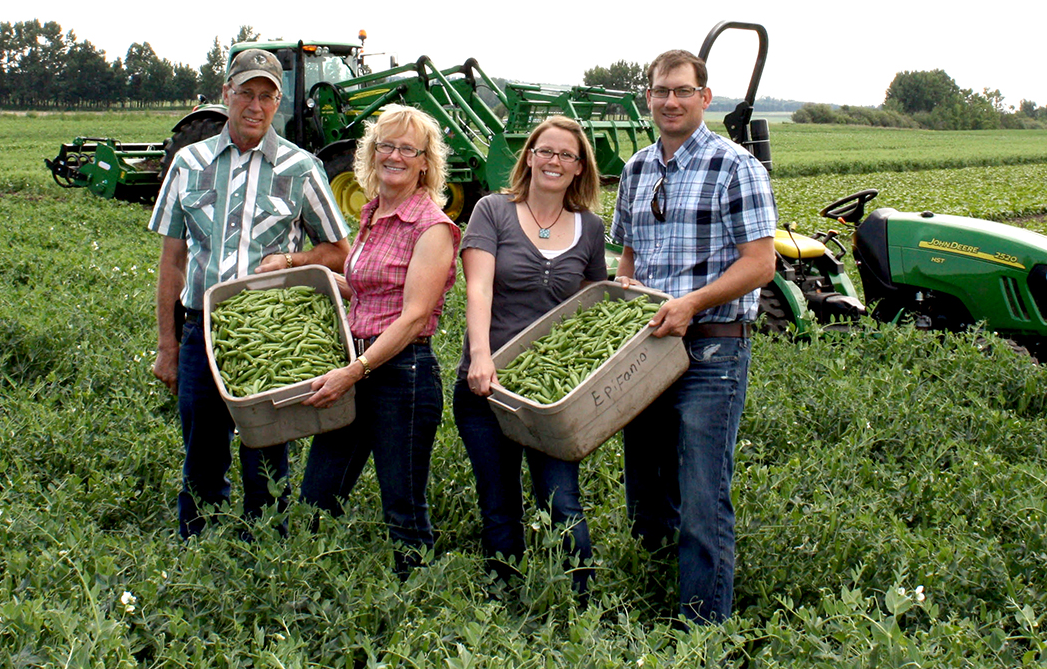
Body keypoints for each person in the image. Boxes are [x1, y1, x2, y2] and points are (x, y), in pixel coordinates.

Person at [149, 48, 351, 539]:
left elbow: (338, 251)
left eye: (267, 96)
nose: (255, 106)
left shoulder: (300, 168)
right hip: (200, 330)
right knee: (201, 457)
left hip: (269, 335)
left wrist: (292, 260)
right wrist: (167, 347)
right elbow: (172, 263)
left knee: (266, 458)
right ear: (226, 95)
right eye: (246, 94)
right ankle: (200, 551)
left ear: (277, 102)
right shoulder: (188, 163)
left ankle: (263, 557)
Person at [611, 49, 776, 624]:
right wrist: (623, 284)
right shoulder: (636, 170)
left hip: (712, 345)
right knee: (647, 487)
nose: (670, 101)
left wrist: (692, 305)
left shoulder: (736, 166)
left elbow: (760, 264)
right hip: (648, 343)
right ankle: (647, 599)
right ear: (648, 98)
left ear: (704, 98)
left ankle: (702, 630)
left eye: (682, 91)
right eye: (660, 91)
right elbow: (629, 252)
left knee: (704, 494)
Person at [299, 104, 461, 576]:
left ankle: (417, 613)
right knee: (316, 498)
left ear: (425, 162)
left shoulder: (432, 227)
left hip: (401, 377)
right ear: (371, 153)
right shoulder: (373, 212)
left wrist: (354, 371)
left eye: (406, 149)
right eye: (385, 145)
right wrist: (306, 275)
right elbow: (367, 288)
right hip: (357, 367)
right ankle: (308, 594)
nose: (394, 155)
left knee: (403, 510)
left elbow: (413, 316)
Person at [453, 116, 607, 595]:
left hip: (551, 396)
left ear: (580, 168)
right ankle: (504, 604)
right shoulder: (492, 211)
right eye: (546, 151)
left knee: (562, 501)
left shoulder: (590, 228)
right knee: (499, 503)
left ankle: (581, 605)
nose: (554, 161)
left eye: (566, 155)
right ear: (530, 157)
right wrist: (482, 358)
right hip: (486, 386)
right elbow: (477, 289)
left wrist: (616, 291)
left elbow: (590, 302)